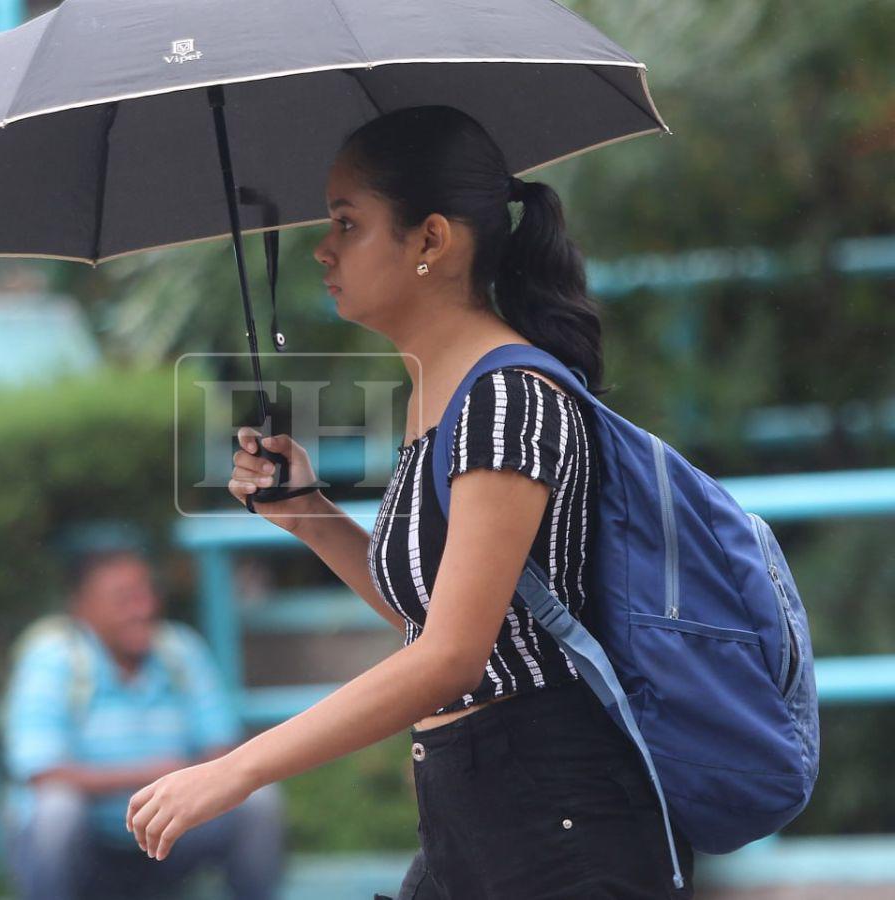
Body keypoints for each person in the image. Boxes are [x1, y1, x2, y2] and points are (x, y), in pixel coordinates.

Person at [124, 106, 695, 899]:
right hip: (474, 817)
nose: (323, 247)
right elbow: (440, 616)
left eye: (348, 223)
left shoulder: (507, 397)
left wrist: (237, 768)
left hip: (556, 822)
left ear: (431, 240)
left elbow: (452, 655)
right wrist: (309, 515)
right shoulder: (445, 393)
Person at [2, 523, 285, 900]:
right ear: (81, 607)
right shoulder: (53, 658)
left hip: (172, 835)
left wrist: (178, 787)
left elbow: (224, 752)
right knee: (57, 810)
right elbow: (42, 771)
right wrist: (154, 775)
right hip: (89, 844)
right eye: (123, 598)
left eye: (146, 593)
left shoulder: (181, 651)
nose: (143, 608)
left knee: (258, 801)